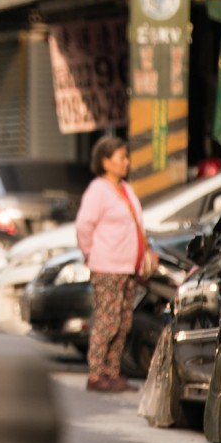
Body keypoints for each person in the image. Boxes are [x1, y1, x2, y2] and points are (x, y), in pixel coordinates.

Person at [74, 135, 152, 394]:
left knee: (123, 322)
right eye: (121, 158)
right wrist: (90, 253)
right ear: (105, 162)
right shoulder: (98, 190)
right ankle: (96, 374)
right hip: (107, 267)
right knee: (107, 321)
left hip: (128, 267)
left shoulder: (126, 189)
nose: (126, 162)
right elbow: (84, 226)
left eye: (126, 157)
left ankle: (112, 372)